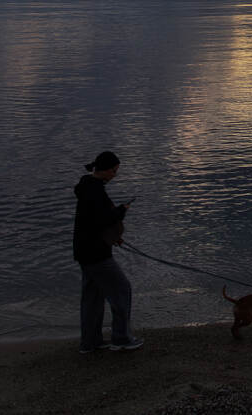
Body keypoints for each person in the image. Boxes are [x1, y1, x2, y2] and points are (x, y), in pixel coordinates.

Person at [73, 150, 143, 353]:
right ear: (104, 169)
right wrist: (122, 211)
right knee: (122, 290)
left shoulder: (88, 187)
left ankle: (90, 343)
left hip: (84, 250)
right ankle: (121, 338)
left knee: (92, 298)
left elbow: (93, 222)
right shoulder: (94, 191)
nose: (115, 174)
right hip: (96, 253)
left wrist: (113, 234)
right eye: (114, 170)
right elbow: (103, 219)